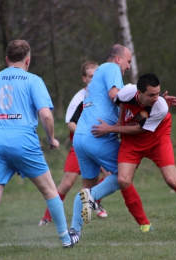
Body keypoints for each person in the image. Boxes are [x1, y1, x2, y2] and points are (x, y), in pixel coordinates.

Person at [0, 40, 78, 258]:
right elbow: (46, 115)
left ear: (6, 59)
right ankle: (66, 239)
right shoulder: (33, 80)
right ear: (28, 60)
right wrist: (52, 139)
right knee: (50, 191)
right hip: (23, 142)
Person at [80, 73, 176, 231]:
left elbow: (139, 129)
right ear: (139, 92)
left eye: (158, 93)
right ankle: (144, 225)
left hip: (157, 139)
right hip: (132, 142)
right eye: (152, 95)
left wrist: (110, 128)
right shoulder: (128, 91)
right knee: (123, 180)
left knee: (171, 180)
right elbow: (119, 101)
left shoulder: (161, 106)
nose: (156, 97)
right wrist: (119, 120)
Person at [38, 61, 110, 226]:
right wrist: (86, 135)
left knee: (111, 177)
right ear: (84, 79)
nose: (95, 79)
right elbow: (70, 123)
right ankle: (47, 217)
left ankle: (94, 200)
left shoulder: (106, 94)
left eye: (97, 76)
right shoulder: (80, 97)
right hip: (80, 147)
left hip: (100, 146)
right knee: (68, 183)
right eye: (91, 76)